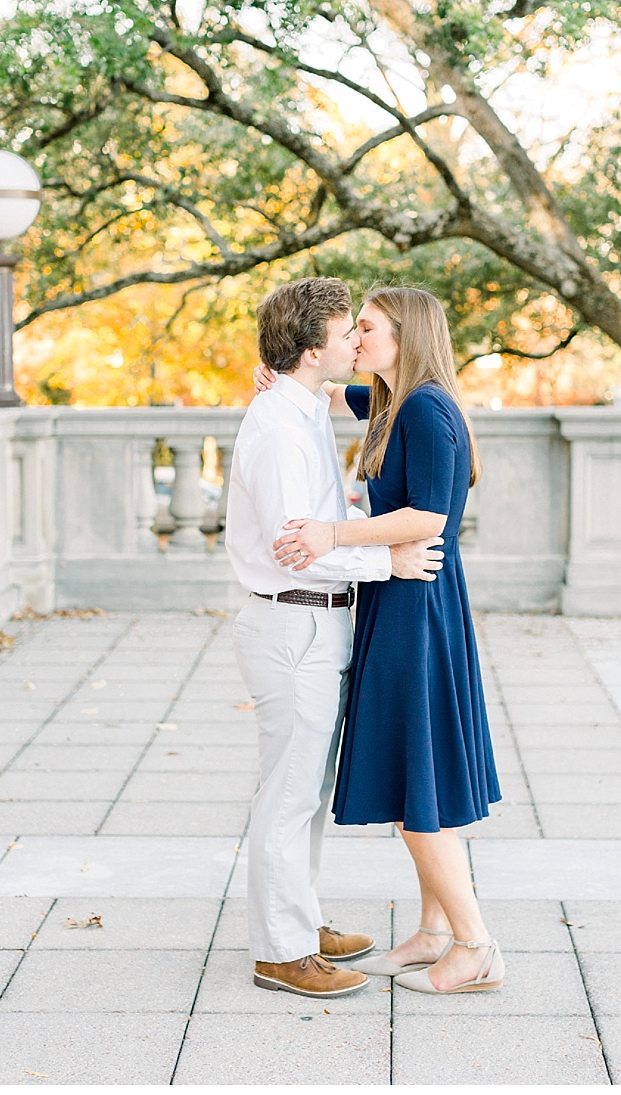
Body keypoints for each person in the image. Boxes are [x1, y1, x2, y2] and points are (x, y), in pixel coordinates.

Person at [272, 285, 505, 994]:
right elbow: (327, 392)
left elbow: (429, 518)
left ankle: (475, 945)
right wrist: (282, 378)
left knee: (415, 784)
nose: (355, 339)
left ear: (406, 336)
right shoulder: (391, 400)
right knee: (419, 777)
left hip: (416, 605)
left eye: (367, 328)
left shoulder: (426, 409)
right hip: (399, 597)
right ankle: (434, 932)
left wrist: (333, 533)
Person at [226, 277, 445, 999]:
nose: (356, 340)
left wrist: (358, 537)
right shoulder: (280, 429)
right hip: (294, 618)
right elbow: (300, 546)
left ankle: (300, 920)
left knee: (307, 790)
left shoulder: (306, 407)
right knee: (289, 793)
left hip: (318, 620)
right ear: (313, 349)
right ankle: (281, 951)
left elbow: (323, 517)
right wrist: (389, 561)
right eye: (347, 330)